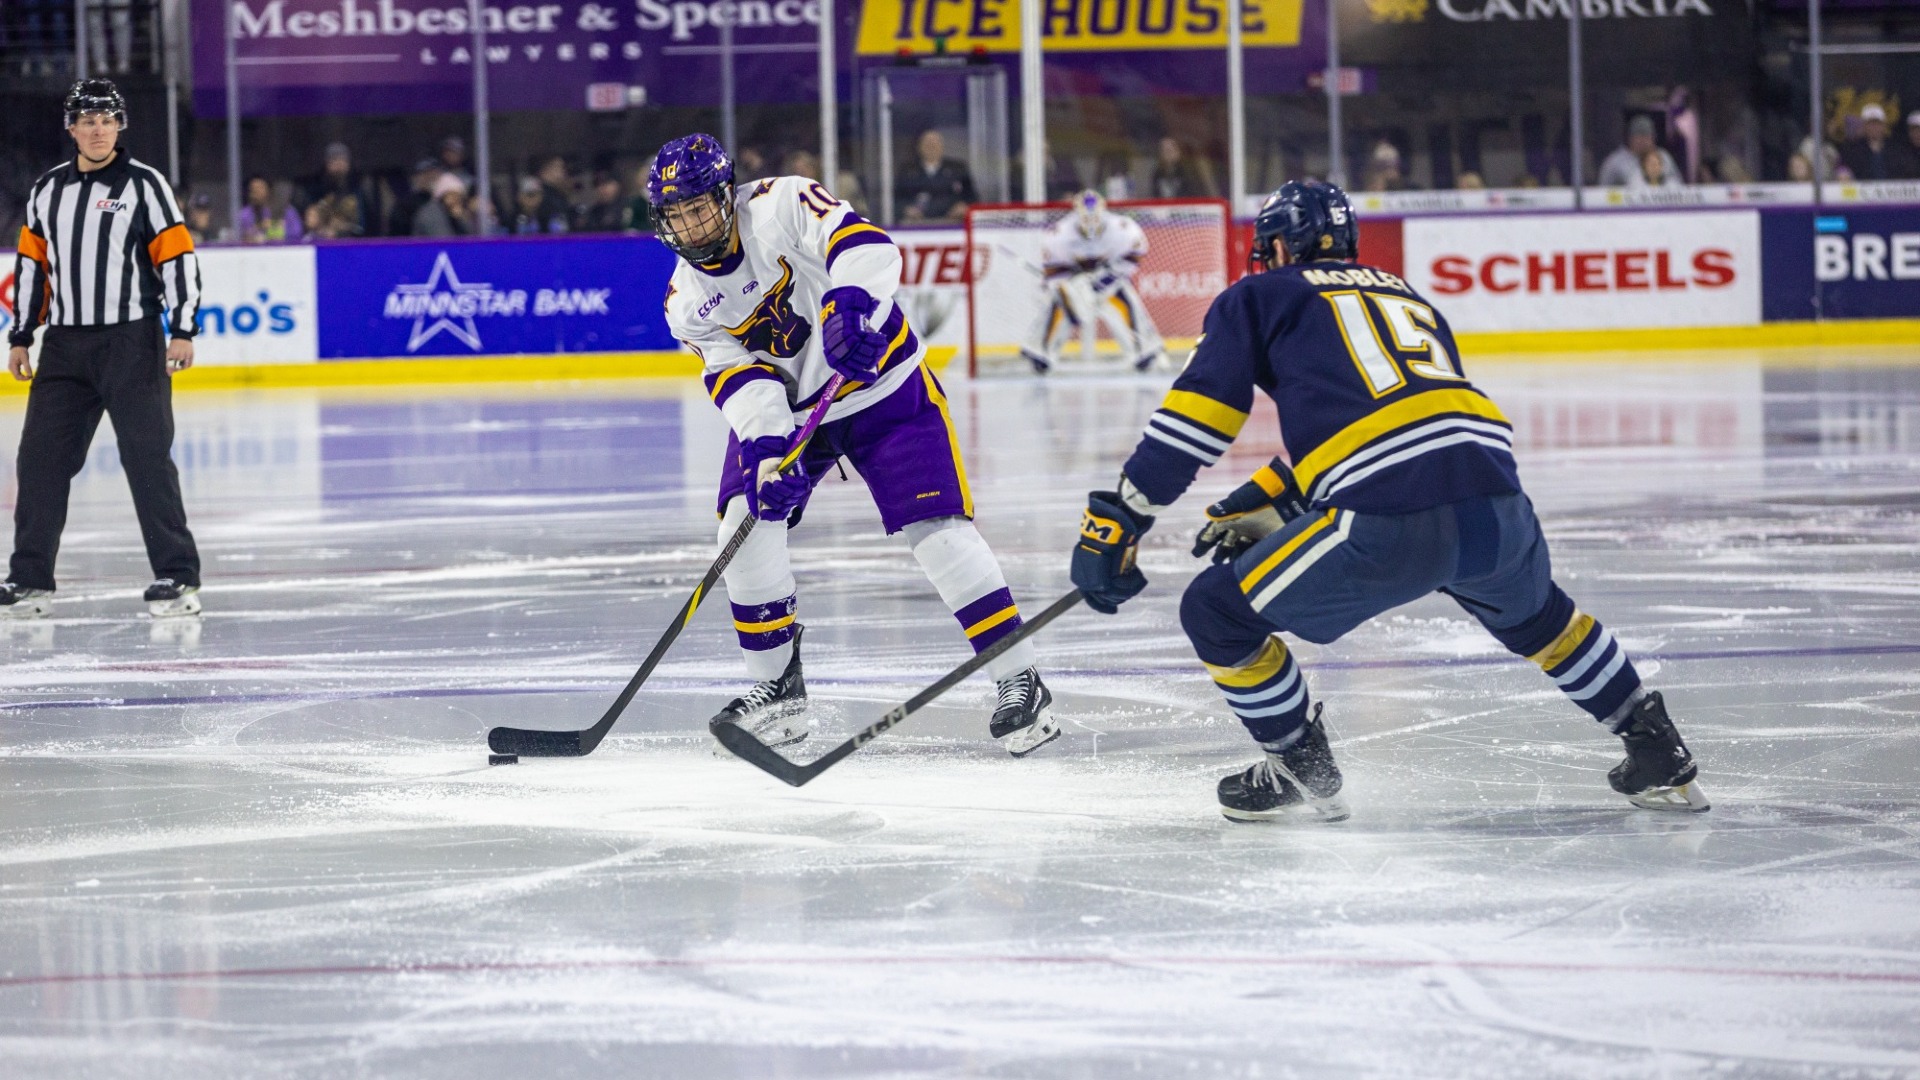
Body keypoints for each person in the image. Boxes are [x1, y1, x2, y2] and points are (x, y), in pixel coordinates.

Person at [1068, 180, 1708, 822]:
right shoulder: (1407, 295)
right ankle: (1655, 747)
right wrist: (1284, 496)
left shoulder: (1260, 294)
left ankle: (1299, 765)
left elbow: (1200, 415)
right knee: (1544, 622)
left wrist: (1123, 514)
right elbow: (1411, 419)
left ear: (1283, 245)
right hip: (1497, 500)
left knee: (1216, 612)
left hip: (1389, 517)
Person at [649, 133, 1059, 755]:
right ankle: (777, 693)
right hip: (795, 413)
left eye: (697, 206)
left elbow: (862, 245)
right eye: (674, 214)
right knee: (744, 522)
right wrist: (765, 450)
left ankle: (1017, 675)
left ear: (725, 195)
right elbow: (738, 378)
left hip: (884, 388)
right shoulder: (685, 301)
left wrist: (850, 305)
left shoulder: (782, 203)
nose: (688, 223)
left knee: (936, 528)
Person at [3, 79, 204, 620]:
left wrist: (182, 327)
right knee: (39, 460)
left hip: (131, 341)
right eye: (87, 121)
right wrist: (22, 335)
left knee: (146, 458)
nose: (97, 130)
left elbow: (177, 257)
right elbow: (31, 266)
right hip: (65, 346)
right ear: (71, 128)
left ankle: (178, 577)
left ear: (120, 127)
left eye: (107, 120)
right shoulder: (47, 189)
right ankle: (29, 580)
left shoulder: (146, 184)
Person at [1019, 190, 1164, 375]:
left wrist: (1103, 280)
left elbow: (1134, 258)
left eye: (1095, 215)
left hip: (1109, 279)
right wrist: (1071, 285)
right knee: (1060, 302)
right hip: (1074, 281)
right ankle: (1040, 351)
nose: (1090, 220)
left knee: (1126, 301)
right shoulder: (1059, 234)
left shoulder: (1122, 229)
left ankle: (1143, 350)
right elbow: (1053, 271)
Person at [895, 130, 977, 223]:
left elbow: (972, 198)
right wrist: (906, 209)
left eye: (935, 144)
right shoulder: (907, 170)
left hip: (953, 223)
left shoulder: (958, 168)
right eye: (927, 144)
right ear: (919, 147)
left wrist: (964, 206)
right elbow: (897, 199)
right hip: (917, 224)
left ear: (942, 146)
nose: (931, 147)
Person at [1839, 104, 1917, 182]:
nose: (1874, 127)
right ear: (1864, 126)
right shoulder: (1852, 150)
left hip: (1893, 192)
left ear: (1883, 125)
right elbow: (1844, 171)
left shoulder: (1896, 149)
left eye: (1877, 123)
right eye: (1870, 124)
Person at [1598, 116, 1681, 188]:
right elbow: (1602, 191)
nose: (1643, 141)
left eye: (1647, 137)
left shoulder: (1663, 157)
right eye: (1639, 137)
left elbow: (1678, 183)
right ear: (1630, 139)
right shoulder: (1615, 162)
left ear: (1653, 138)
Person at [235, 175, 301, 244]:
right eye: (252, 190)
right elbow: (237, 234)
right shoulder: (244, 214)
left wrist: (275, 228)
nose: (256, 192)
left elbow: (297, 232)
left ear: (268, 190)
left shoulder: (285, 209)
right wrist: (256, 229)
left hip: (281, 250)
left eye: (259, 188)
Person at [387, 158, 442, 237]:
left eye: (434, 174)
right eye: (426, 174)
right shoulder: (405, 205)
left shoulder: (446, 201)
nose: (431, 178)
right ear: (416, 178)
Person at [1150, 136, 1216, 199]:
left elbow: (1195, 193)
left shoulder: (1189, 171)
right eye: (1164, 150)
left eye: (1170, 150)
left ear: (1178, 151)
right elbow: (1155, 195)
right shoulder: (1157, 173)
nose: (1168, 153)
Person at [412, 172, 472, 236]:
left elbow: (474, 237)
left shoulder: (454, 213)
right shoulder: (431, 214)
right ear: (442, 196)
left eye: (458, 196)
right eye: (452, 195)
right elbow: (443, 241)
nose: (456, 200)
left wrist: (461, 219)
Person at [503, 176, 568, 234]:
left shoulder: (549, 217)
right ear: (519, 197)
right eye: (530, 195)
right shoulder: (511, 220)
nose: (533, 200)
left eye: (537, 194)